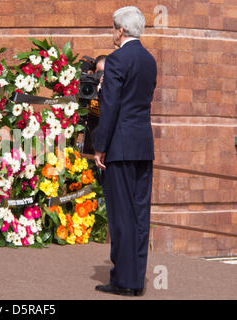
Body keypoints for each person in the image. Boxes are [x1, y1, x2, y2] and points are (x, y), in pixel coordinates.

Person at [93, 6, 157, 296]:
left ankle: (124, 281)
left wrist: (100, 147)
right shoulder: (149, 60)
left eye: (113, 27)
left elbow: (110, 108)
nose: (112, 33)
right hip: (143, 145)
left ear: (120, 30)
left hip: (119, 146)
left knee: (121, 215)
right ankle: (136, 279)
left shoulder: (117, 60)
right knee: (139, 213)